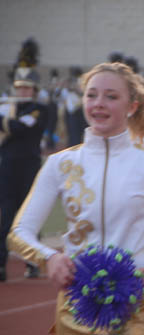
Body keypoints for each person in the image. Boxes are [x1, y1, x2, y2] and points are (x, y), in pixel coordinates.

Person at [7, 62, 144, 334]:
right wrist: (49, 258)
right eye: (91, 95)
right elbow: (19, 232)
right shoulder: (59, 164)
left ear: (132, 106)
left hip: (135, 302)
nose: (98, 103)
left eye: (111, 96)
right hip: (76, 303)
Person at [0, 38, 49, 281]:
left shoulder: (39, 109)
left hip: (29, 166)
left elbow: (21, 129)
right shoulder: (7, 106)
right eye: (20, 87)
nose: (23, 92)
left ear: (35, 90)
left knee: (30, 215)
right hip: (6, 166)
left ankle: (33, 262)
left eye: (28, 88)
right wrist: (9, 123)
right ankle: (1, 265)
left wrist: (6, 123)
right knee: (5, 215)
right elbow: (14, 127)